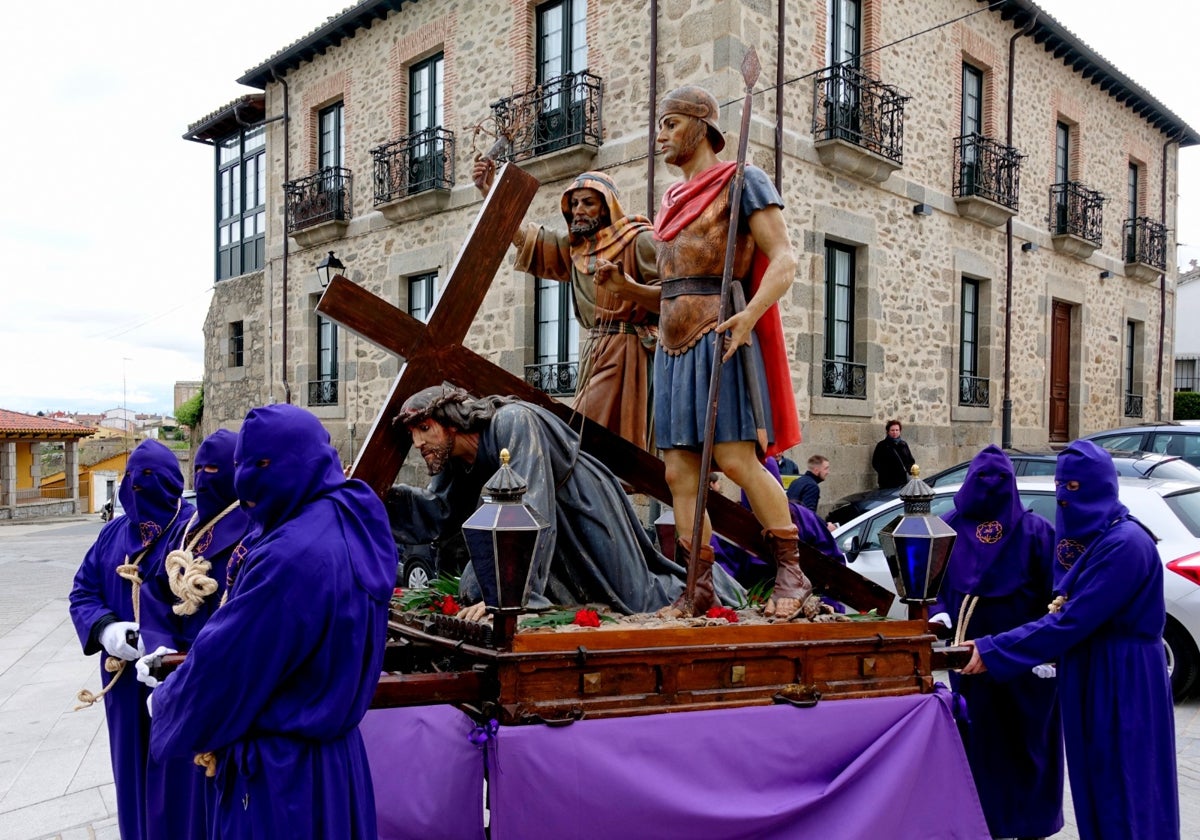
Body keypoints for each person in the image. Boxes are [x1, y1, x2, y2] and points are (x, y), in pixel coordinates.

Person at [597, 84, 809, 619]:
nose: (660, 136)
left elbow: (784, 259)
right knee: (679, 477)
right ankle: (698, 587)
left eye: (669, 124)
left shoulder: (743, 181)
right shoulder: (668, 204)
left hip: (721, 336)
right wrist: (627, 291)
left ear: (700, 125)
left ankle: (792, 571)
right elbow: (672, 291)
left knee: (736, 461)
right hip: (670, 347)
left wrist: (751, 314)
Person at [148, 405, 397, 839]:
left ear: (303, 460)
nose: (245, 482)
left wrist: (166, 703)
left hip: (282, 781)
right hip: (337, 762)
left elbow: (228, 665)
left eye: (262, 465)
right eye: (241, 465)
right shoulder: (353, 516)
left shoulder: (290, 555)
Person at [962, 440, 1179, 840]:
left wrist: (995, 650)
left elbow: (1073, 620)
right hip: (1090, 670)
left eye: (1075, 488)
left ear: (1101, 486)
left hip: (1122, 678)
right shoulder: (1101, 540)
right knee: (1096, 783)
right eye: (1061, 486)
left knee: (1125, 784)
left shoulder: (1126, 545)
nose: (1064, 497)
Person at [385, 386, 740, 618]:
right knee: (472, 588)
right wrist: (378, 497)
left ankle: (717, 589)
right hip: (540, 532)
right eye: (413, 433)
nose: (417, 442)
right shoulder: (459, 462)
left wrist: (513, 600)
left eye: (424, 428)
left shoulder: (514, 421)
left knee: (637, 596)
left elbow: (531, 505)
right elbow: (437, 512)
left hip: (581, 504)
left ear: (450, 421)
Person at [473, 161, 660, 448]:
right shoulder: (576, 250)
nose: (579, 210)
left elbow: (670, 296)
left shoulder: (639, 240)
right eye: (574, 203)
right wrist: (491, 193)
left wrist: (627, 288)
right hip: (595, 351)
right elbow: (525, 239)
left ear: (607, 206)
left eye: (588, 202)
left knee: (580, 435)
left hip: (628, 349)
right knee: (594, 443)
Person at [929, 445, 1063, 839]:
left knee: (1029, 747)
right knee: (980, 748)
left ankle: (1032, 825)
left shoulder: (1036, 532)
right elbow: (928, 580)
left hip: (1026, 667)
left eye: (998, 480)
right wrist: (938, 612)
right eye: (982, 479)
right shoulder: (945, 528)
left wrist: (1048, 652)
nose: (990, 487)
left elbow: (1056, 595)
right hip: (969, 663)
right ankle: (981, 824)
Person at [69, 439, 191, 840]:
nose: (136, 488)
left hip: (171, 680)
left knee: (175, 780)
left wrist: (155, 637)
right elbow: (83, 591)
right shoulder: (111, 535)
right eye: (130, 481)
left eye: (149, 480)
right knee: (130, 774)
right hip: (122, 687)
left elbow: (206, 604)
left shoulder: (192, 531)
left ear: (171, 483)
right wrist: (106, 628)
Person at [136, 429, 252, 840]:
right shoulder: (188, 532)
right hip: (175, 675)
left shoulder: (251, 531)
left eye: (214, 469)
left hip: (212, 681)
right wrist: (158, 644)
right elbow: (154, 591)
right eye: (197, 468)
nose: (204, 478)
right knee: (174, 795)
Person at [872, 419, 915, 489]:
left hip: (903, 482)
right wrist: (885, 474)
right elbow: (875, 463)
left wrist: (907, 470)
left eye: (897, 430)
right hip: (887, 483)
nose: (895, 432)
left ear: (900, 431)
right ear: (888, 431)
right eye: (892, 430)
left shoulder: (903, 444)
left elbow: (910, 460)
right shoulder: (882, 445)